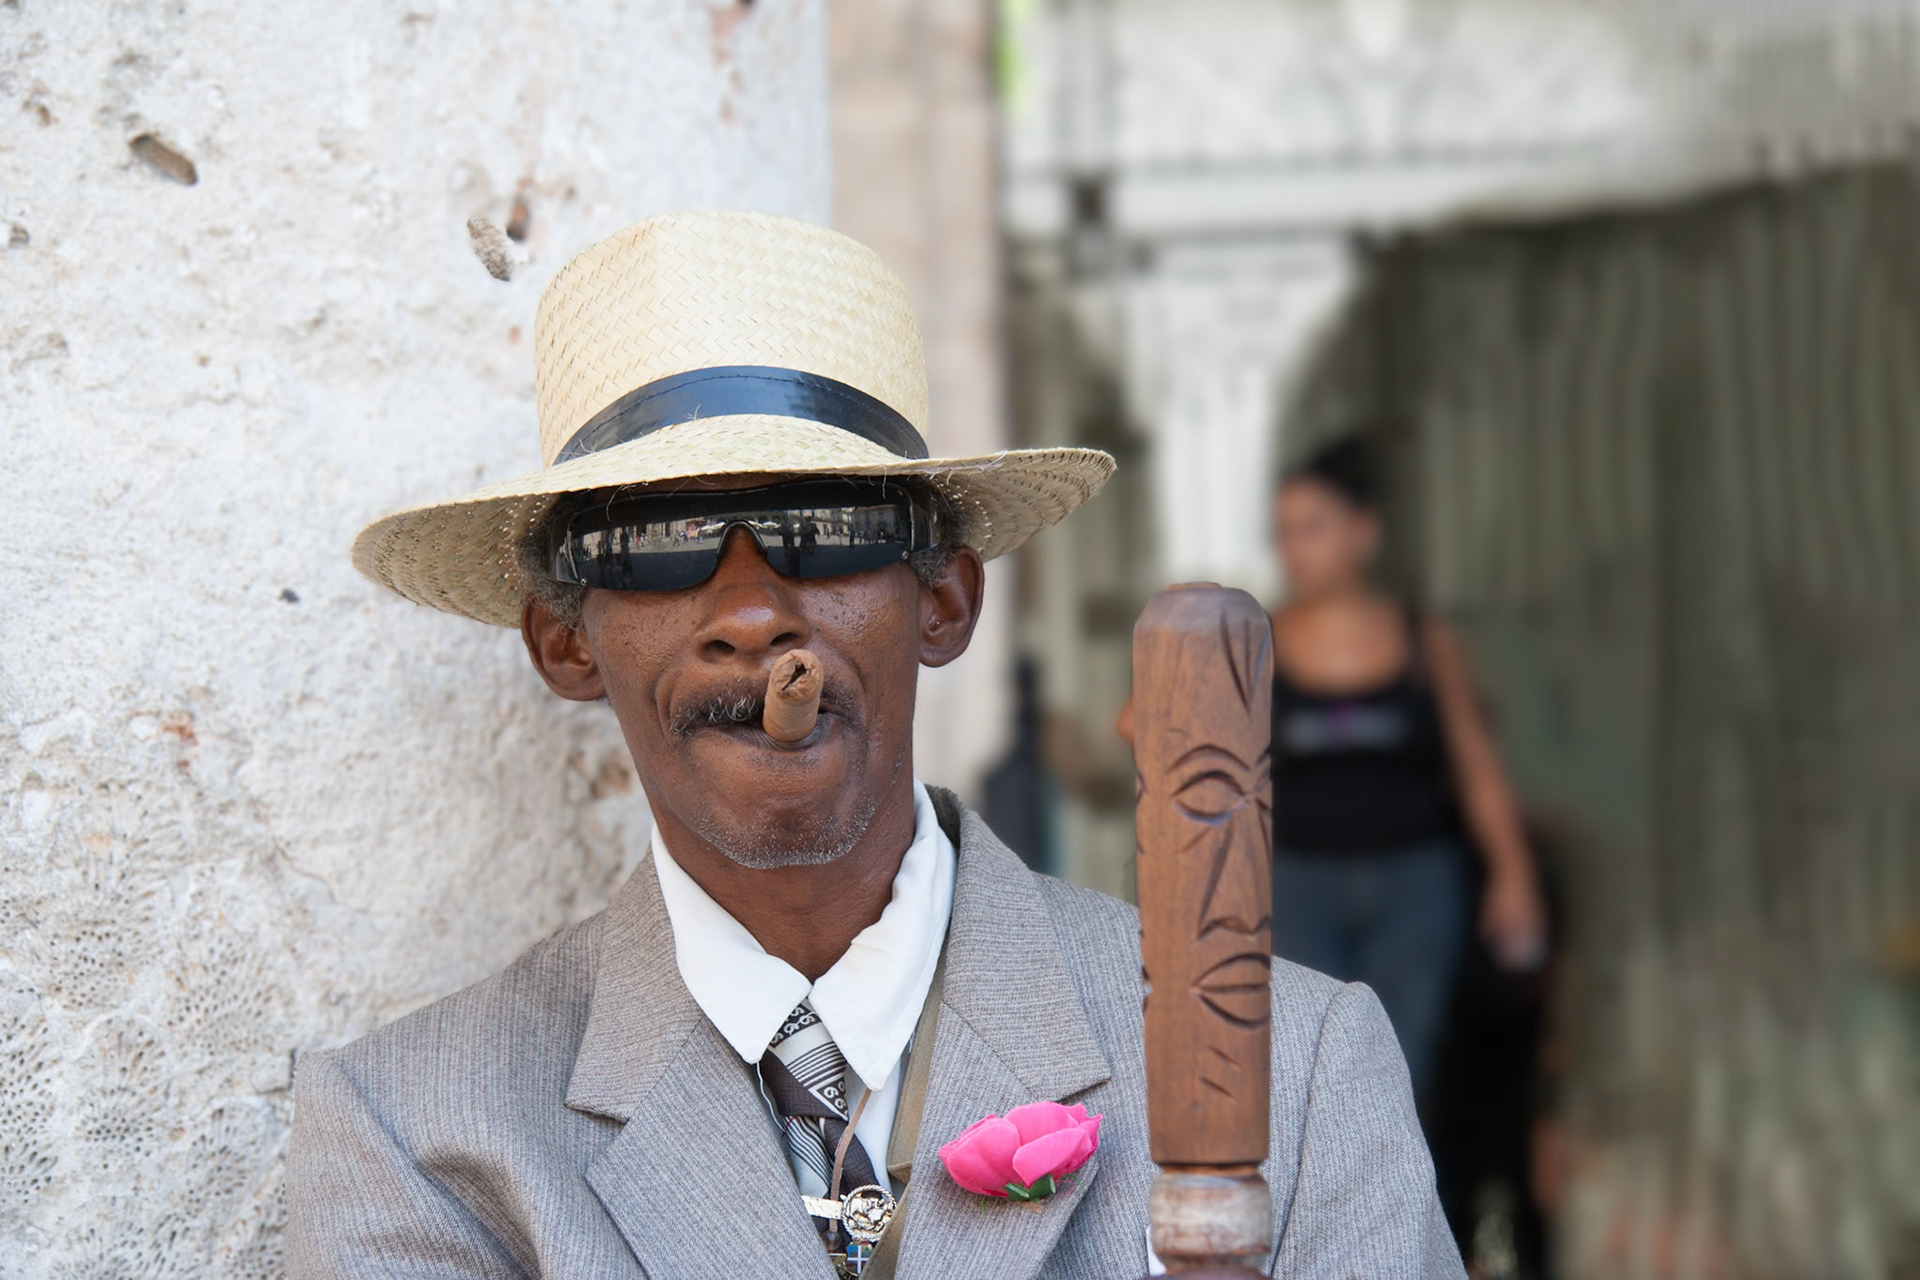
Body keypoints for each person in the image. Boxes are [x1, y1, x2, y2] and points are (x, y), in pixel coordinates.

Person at [284, 213, 1465, 1279]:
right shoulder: (418, 1133)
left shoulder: (1295, 1072)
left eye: (827, 525)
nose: (753, 614)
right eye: (661, 538)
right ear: (566, 642)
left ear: (943, 602)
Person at [1268, 436, 1546, 1103]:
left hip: (1415, 885)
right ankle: (1323, 1181)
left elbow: (1476, 765)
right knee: (1306, 1061)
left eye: (1312, 528)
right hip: (1299, 885)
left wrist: (1514, 875)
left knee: (1404, 1057)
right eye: (1284, 532)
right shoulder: (1259, 641)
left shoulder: (1425, 641)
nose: (1293, 549)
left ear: (1364, 533)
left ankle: (1393, 1178)